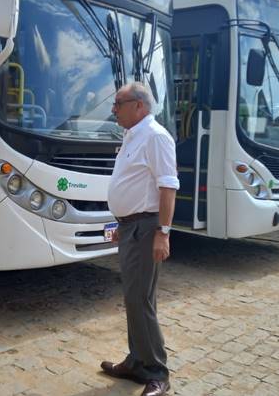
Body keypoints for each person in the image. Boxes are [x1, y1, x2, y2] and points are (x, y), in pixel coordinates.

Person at [100, 82, 178, 396]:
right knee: (134, 297)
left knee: (141, 299)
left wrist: (163, 232)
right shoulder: (133, 135)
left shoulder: (156, 136)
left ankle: (157, 371)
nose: (113, 109)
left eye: (118, 103)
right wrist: (123, 221)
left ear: (139, 106)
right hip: (132, 227)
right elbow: (134, 184)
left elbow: (167, 187)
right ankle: (137, 362)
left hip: (148, 229)